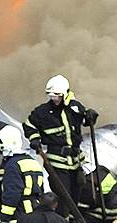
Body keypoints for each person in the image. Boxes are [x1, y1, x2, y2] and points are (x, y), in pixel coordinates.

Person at [24, 75, 99, 207]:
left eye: (57, 96)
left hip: (76, 160)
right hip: (57, 161)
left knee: (76, 192)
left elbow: (84, 121)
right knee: (63, 195)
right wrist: (34, 139)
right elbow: (29, 125)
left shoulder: (75, 107)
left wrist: (91, 116)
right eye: (51, 96)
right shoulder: (43, 112)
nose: (54, 99)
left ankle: (73, 218)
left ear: (65, 94)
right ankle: (62, 218)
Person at [0, 126, 45, 223]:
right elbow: (41, 190)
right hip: (35, 212)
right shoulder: (32, 161)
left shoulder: (12, 165)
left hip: (19, 217)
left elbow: (12, 194)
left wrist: (4, 219)